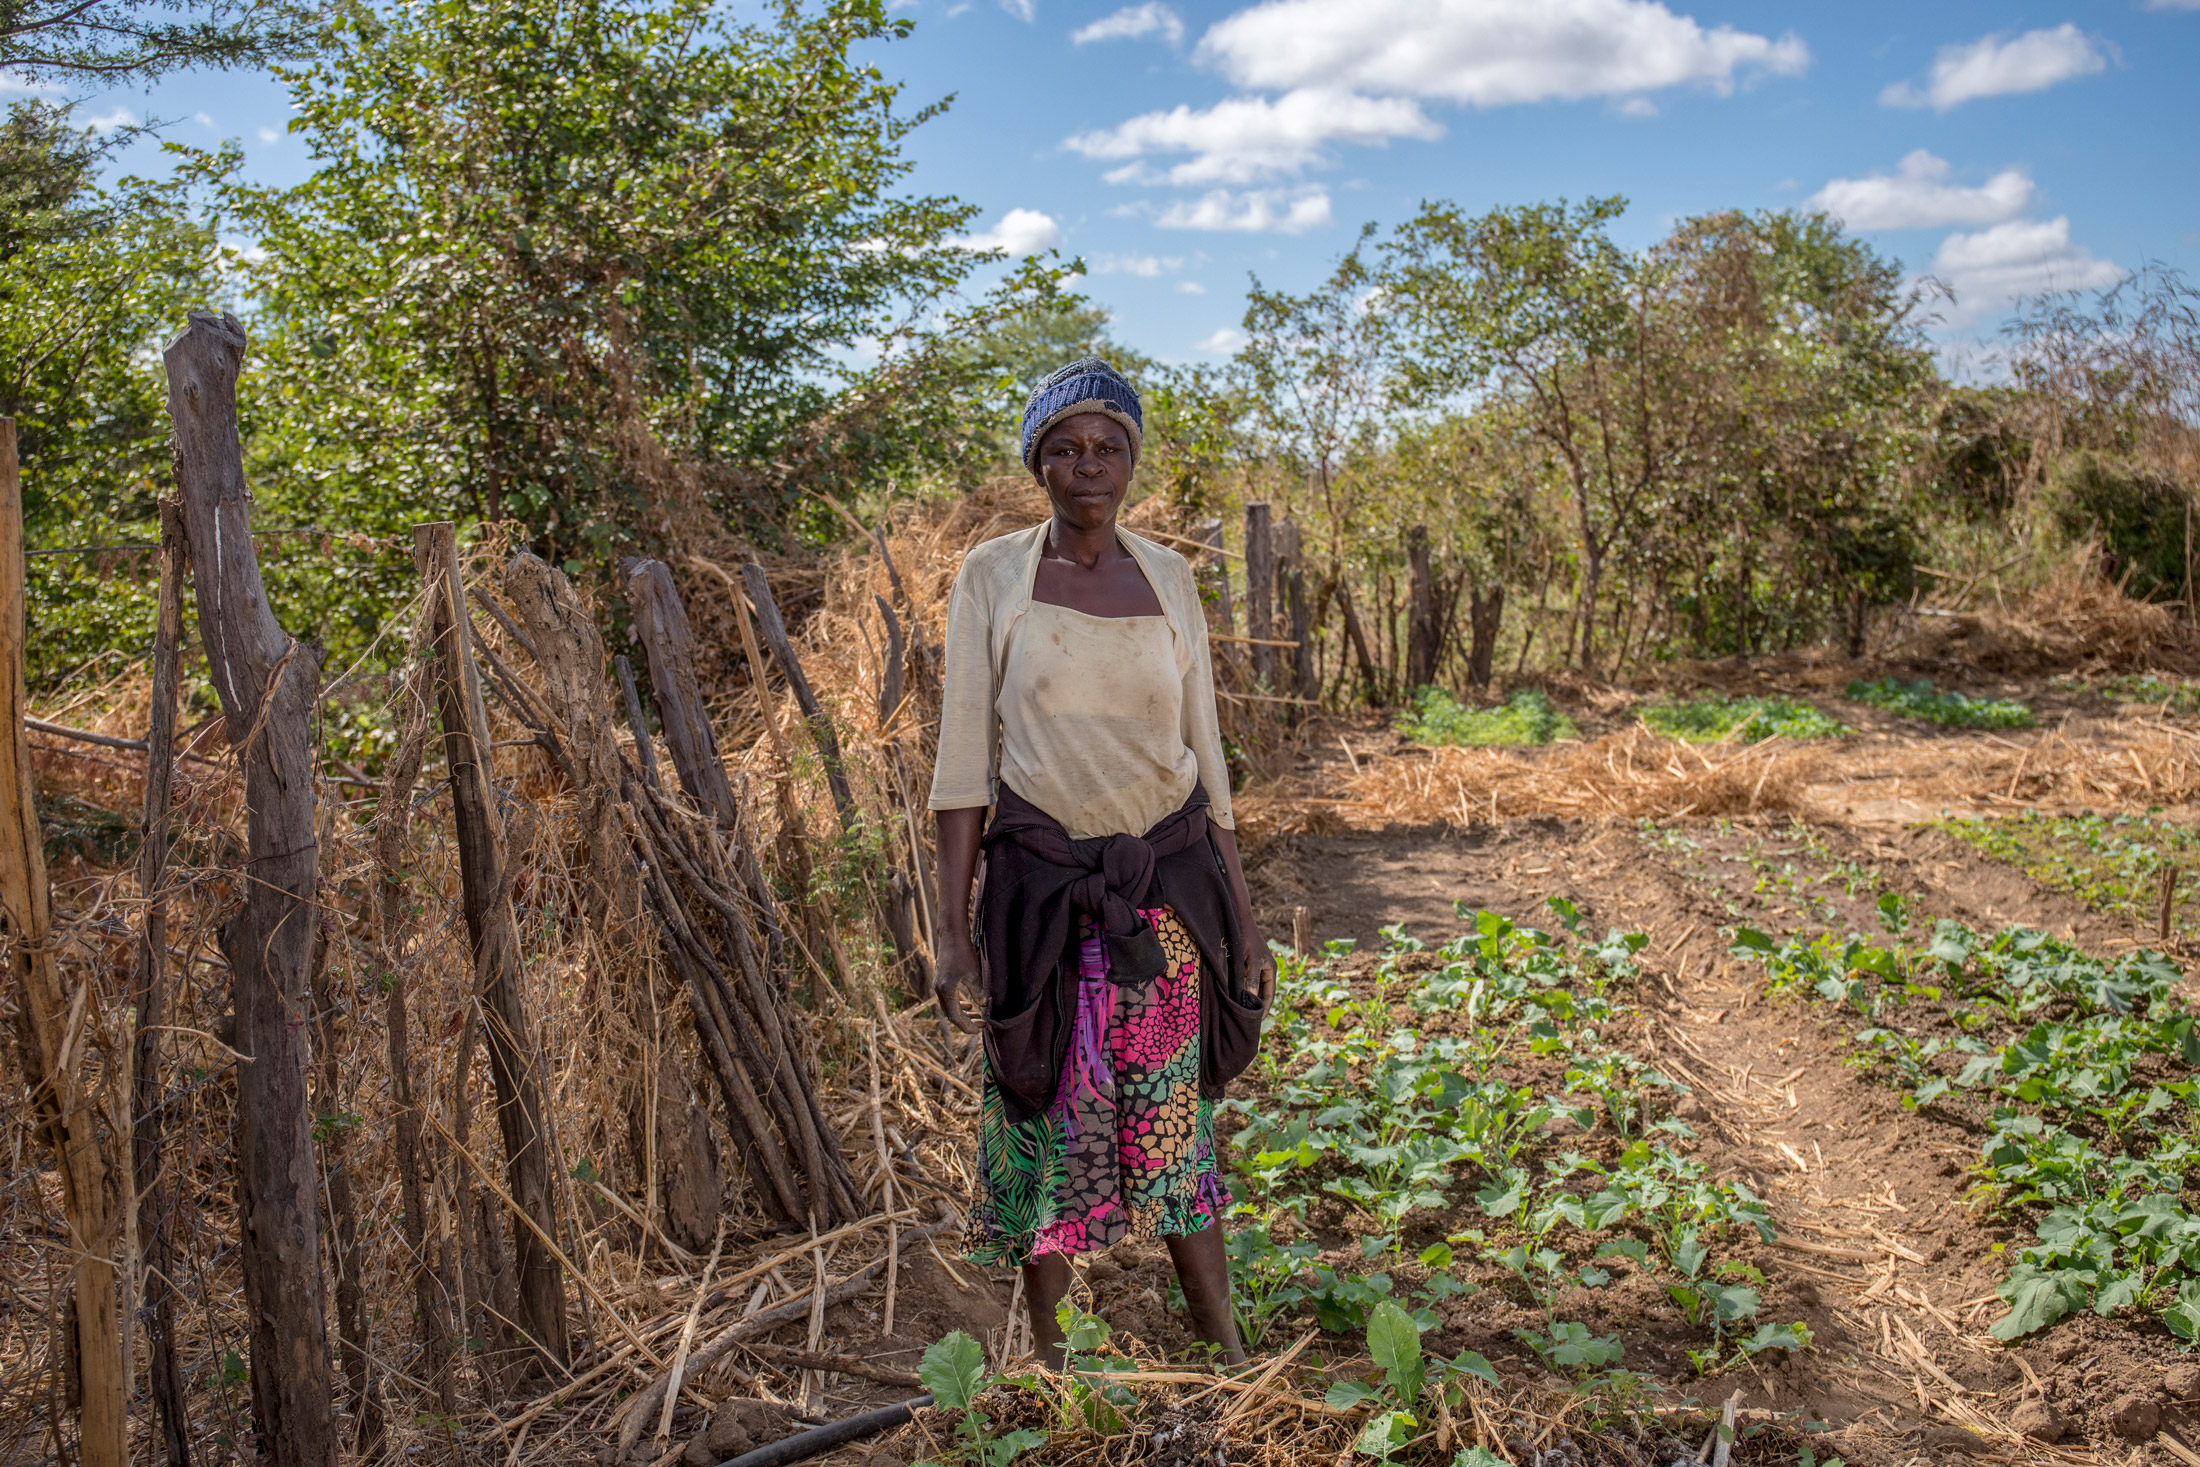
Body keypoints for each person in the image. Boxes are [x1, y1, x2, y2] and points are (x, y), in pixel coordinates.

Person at [929, 357, 1274, 1369]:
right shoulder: (993, 575)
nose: (1089, 464)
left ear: (1131, 462)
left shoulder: (1167, 577)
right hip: (1041, 900)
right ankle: (1055, 1360)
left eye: (1108, 447)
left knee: (1174, 1121)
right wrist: (950, 933)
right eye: (1067, 448)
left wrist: (1243, 923)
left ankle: (1227, 1350)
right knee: (1045, 1116)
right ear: (1038, 463)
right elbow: (961, 766)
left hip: (1162, 900)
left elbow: (1204, 760)